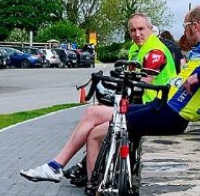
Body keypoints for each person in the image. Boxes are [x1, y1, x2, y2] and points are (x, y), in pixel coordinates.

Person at [21, 5, 200, 196]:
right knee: (93, 114)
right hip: (163, 106)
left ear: (195, 26)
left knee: (95, 134)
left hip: (171, 115)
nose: (185, 31)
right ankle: (57, 166)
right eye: (133, 30)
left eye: (186, 26)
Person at [21, 12, 177, 187]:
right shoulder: (136, 49)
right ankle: (77, 180)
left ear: (151, 28)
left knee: (93, 121)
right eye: (132, 30)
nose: (137, 34)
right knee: (94, 119)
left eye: (141, 29)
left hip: (155, 108)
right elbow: (130, 79)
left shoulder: (155, 51)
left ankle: (77, 182)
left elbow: (143, 83)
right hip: (141, 106)